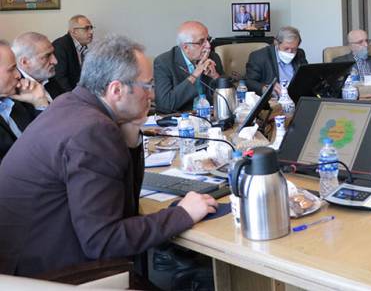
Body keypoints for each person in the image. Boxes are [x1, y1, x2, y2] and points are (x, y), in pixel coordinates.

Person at [0, 35, 217, 277]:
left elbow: (124, 208)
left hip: (32, 262)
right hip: (50, 276)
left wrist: (131, 133)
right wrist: (182, 214)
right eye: (148, 86)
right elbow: (103, 241)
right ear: (116, 90)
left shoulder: (70, 104)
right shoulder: (92, 130)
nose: (152, 96)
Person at [154, 21, 224, 113]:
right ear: (186, 47)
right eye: (201, 42)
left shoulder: (213, 57)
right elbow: (165, 105)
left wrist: (215, 76)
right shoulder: (164, 62)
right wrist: (195, 74)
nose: (208, 45)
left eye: (208, 39)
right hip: (181, 118)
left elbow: (229, 97)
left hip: (210, 115)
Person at [0, 40, 49, 163]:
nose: (18, 75)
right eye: (11, 69)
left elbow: (51, 139)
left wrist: (40, 103)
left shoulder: (18, 98)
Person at [245, 26, 308, 96]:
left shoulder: (300, 53)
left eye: (294, 49)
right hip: (274, 99)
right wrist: (265, 88)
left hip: (296, 97)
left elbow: (306, 77)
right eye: (286, 48)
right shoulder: (259, 56)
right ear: (276, 43)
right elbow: (249, 82)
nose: (290, 52)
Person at [12, 31, 65, 101]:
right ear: (25, 62)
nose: (55, 61)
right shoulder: (14, 90)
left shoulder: (46, 75)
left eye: (53, 53)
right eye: (47, 56)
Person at [52, 14, 94, 93]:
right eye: (86, 28)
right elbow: (60, 78)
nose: (91, 32)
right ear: (74, 31)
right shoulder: (60, 46)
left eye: (91, 28)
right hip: (66, 95)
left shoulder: (83, 47)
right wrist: (73, 96)